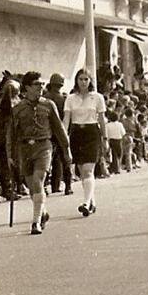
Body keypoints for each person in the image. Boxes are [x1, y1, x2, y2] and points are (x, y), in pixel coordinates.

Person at [8, 72, 71, 235]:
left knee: (38, 181)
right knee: (31, 187)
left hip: (44, 146)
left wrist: (67, 150)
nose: (41, 87)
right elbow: (11, 134)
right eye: (37, 84)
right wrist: (10, 155)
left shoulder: (49, 105)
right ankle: (42, 212)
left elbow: (59, 129)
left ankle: (35, 222)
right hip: (24, 148)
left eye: (42, 84)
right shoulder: (17, 109)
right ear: (27, 87)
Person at [62, 69, 107, 218]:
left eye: (86, 79)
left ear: (90, 81)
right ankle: (92, 201)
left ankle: (86, 203)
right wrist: (64, 138)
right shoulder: (70, 98)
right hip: (76, 133)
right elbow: (66, 120)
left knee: (88, 169)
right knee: (82, 171)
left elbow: (101, 119)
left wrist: (105, 139)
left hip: (92, 133)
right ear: (76, 80)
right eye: (81, 79)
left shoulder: (97, 98)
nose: (83, 82)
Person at [42, 73, 73, 195]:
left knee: (47, 161)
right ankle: (67, 186)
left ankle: (44, 186)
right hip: (60, 131)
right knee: (65, 158)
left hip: (47, 132)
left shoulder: (44, 98)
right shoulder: (63, 99)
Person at [105, 110, 126, 174]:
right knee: (119, 154)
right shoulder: (120, 124)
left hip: (111, 140)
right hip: (119, 140)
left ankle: (114, 168)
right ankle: (117, 168)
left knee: (113, 155)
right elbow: (123, 133)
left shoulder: (107, 125)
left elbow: (106, 134)